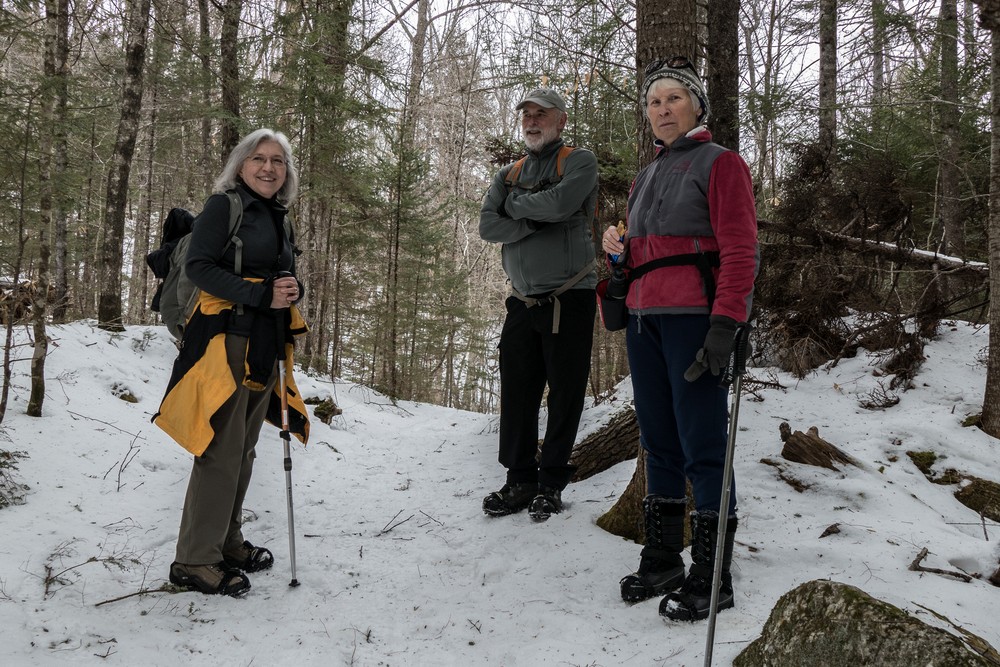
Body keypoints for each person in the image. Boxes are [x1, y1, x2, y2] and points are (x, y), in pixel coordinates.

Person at [601, 58, 758, 620]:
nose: (662, 110)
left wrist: (726, 324)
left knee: (703, 446)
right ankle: (663, 555)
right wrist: (618, 259)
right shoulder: (647, 174)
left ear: (696, 106)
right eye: (653, 102)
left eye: (673, 99)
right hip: (646, 321)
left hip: (695, 320)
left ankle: (714, 575)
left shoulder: (722, 164)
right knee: (660, 440)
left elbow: (740, 250)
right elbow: (643, 256)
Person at [154, 128, 310, 596]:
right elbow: (201, 267)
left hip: (262, 341)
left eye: (278, 161)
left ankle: (227, 542)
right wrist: (261, 293)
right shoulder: (224, 205)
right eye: (259, 159)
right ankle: (195, 560)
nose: (268, 168)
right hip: (225, 342)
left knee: (242, 450)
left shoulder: (279, 216)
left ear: (287, 172)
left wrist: (289, 288)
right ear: (241, 165)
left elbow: (276, 273)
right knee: (219, 451)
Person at [479, 87, 599, 522]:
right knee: (517, 392)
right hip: (522, 302)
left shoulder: (579, 161)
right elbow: (489, 226)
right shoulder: (508, 174)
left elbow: (565, 202)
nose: (532, 121)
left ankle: (550, 484)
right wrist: (533, 216)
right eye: (527, 114)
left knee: (565, 394)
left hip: (571, 298)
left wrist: (517, 212)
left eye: (541, 114)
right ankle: (520, 479)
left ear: (561, 120)